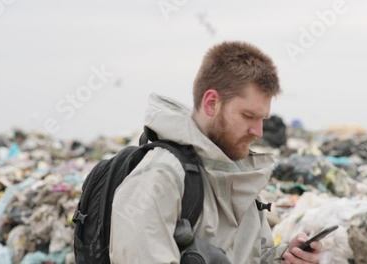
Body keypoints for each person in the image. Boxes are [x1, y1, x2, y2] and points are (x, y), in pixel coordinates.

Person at [109, 41, 322, 263]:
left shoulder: (239, 177)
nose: (258, 132)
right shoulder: (159, 177)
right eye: (248, 116)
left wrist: (285, 258)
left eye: (262, 119)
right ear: (211, 103)